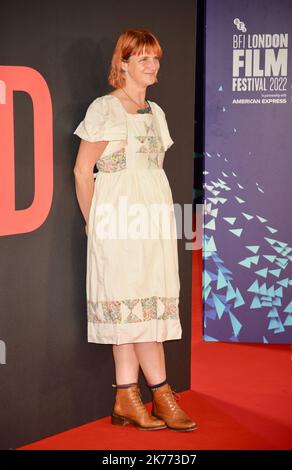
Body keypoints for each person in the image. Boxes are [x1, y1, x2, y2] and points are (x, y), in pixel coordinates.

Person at [73, 28, 197, 432]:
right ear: (122, 63)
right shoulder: (104, 109)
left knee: (139, 310)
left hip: (152, 223)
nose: (152, 65)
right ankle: (161, 393)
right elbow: (81, 171)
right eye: (143, 58)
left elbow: (154, 172)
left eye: (156, 58)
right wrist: (95, 223)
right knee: (133, 308)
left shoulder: (156, 113)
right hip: (117, 224)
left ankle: (125, 397)